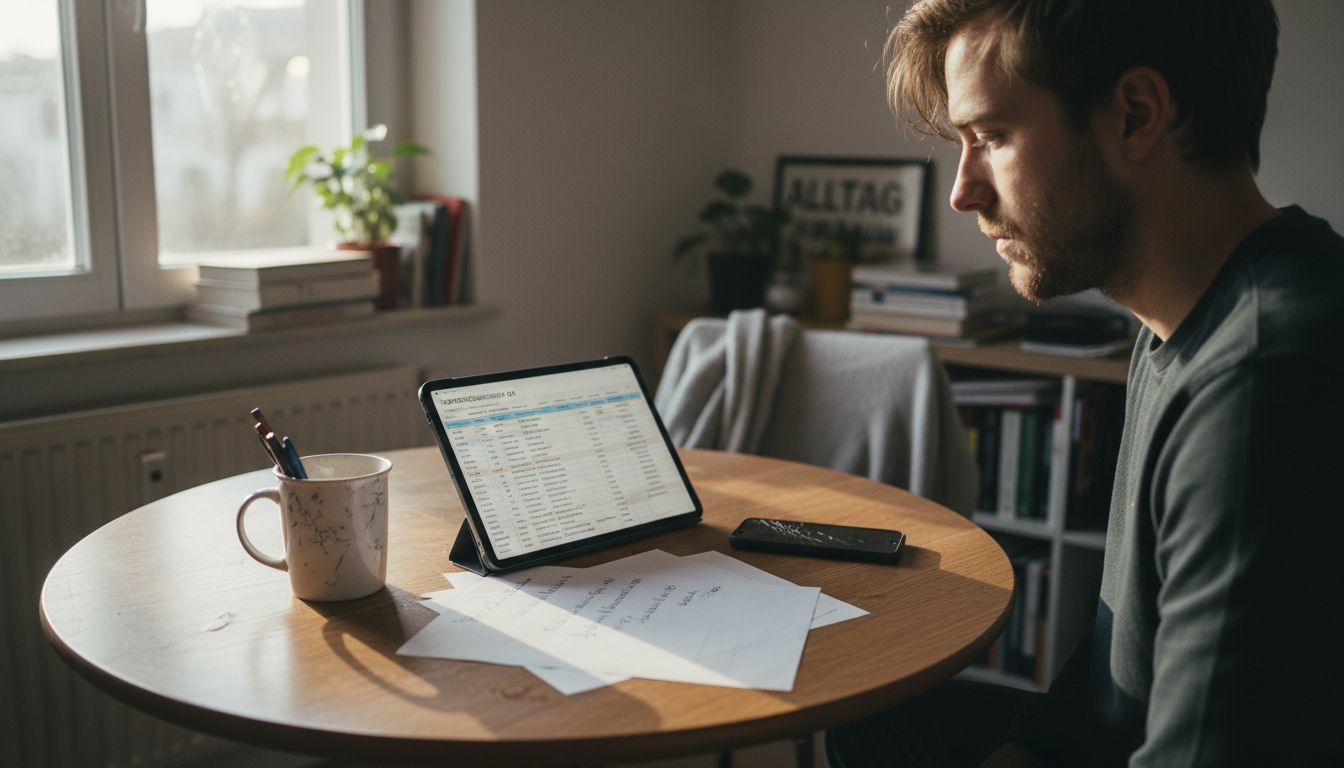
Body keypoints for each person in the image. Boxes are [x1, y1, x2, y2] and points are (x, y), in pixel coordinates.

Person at [825, 0, 1344, 765]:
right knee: (873, 711)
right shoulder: (1179, 319)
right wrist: (1025, 749)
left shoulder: (1266, 378)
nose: (962, 192)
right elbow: (1125, 645)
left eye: (992, 138)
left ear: (1136, 114)